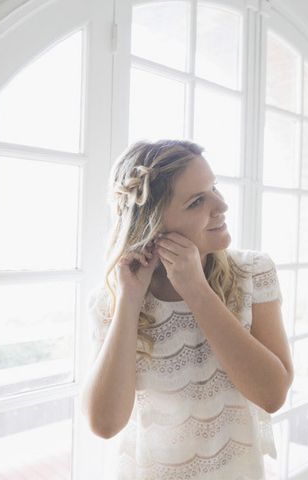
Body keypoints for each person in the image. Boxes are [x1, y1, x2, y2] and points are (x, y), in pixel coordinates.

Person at [80, 139, 294, 480]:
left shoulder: (252, 274)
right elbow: (105, 424)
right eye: (197, 201)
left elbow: (272, 395)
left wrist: (196, 291)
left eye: (214, 188)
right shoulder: (114, 298)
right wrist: (129, 302)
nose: (221, 205)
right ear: (151, 225)